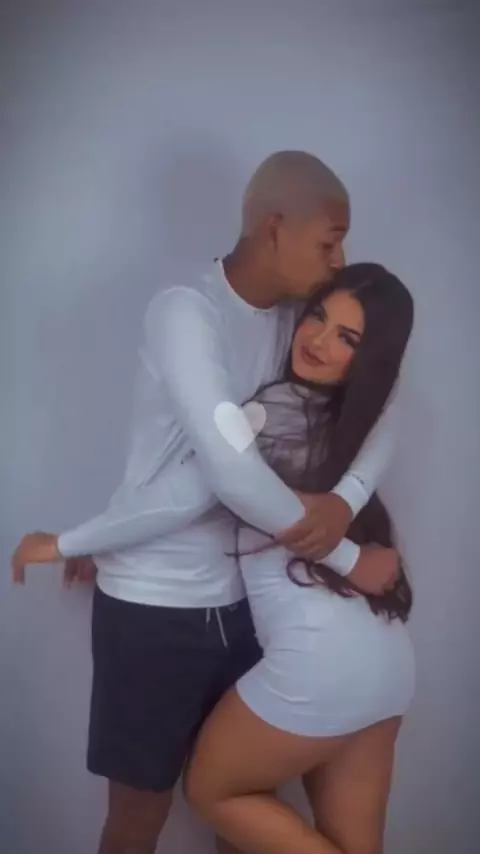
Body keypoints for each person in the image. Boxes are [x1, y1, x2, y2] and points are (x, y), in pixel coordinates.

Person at [12, 152, 399, 854]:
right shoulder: (187, 312)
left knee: (240, 819)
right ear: (275, 227)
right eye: (329, 241)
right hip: (154, 610)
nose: (339, 260)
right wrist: (86, 539)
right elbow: (221, 475)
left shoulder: (302, 323)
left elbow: (383, 392)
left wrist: (345, 500)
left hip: (248, 605)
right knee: (139, 819)